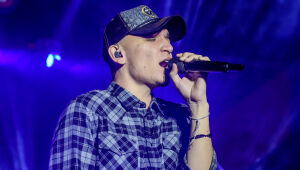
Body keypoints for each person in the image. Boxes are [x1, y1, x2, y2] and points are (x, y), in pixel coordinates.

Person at [49, 5, 218, 170]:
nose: (169, 47)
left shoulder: (183, 116)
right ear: (118, 53)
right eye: (152, 38)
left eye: (168, 38)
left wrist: (198, 106)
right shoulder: (88, 110)